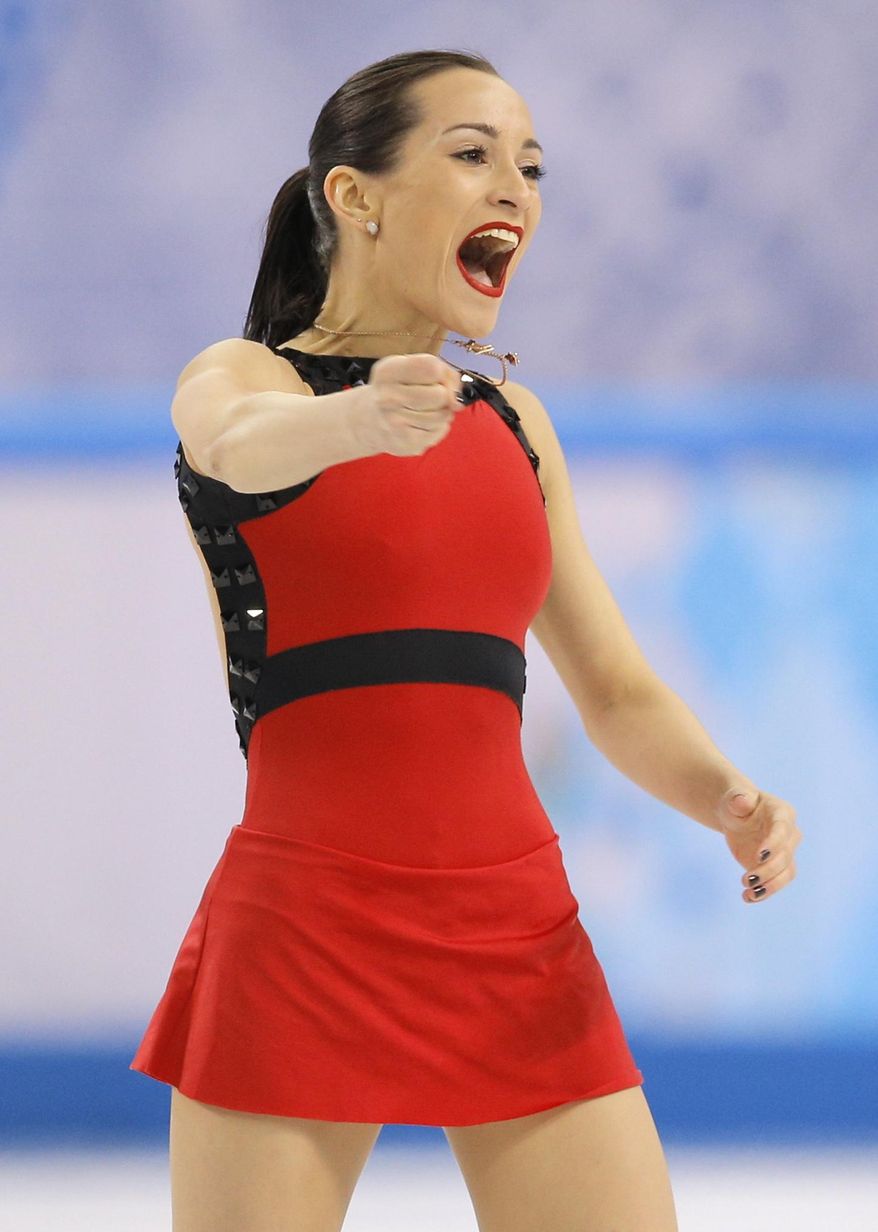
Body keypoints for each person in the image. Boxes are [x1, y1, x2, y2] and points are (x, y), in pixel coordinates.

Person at [129, 48, 802, 1232]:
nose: (514, 190)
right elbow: (235, 445)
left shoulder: (511, 421)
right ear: (355, 195)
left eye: (529, 166)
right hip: (303, 928)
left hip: (517, 934)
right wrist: (357, 417)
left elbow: (615, 688)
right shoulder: (245, 378)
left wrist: (723, 793)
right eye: (472, 154)